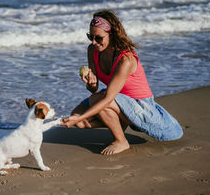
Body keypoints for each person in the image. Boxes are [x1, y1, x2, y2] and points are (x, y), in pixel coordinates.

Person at [60, 10, 183, 155]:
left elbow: (107, 98)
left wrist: (83, 115)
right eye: (90, 37)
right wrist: (91, 84)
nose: (94, 42)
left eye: (99, 38)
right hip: (117, 100)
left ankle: (121, 141)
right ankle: (119, 121)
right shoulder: (92, 50)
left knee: (96, 102)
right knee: (79, 121)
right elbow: (94, 90)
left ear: (111, 34)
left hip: (141, 106)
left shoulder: (126, 59)